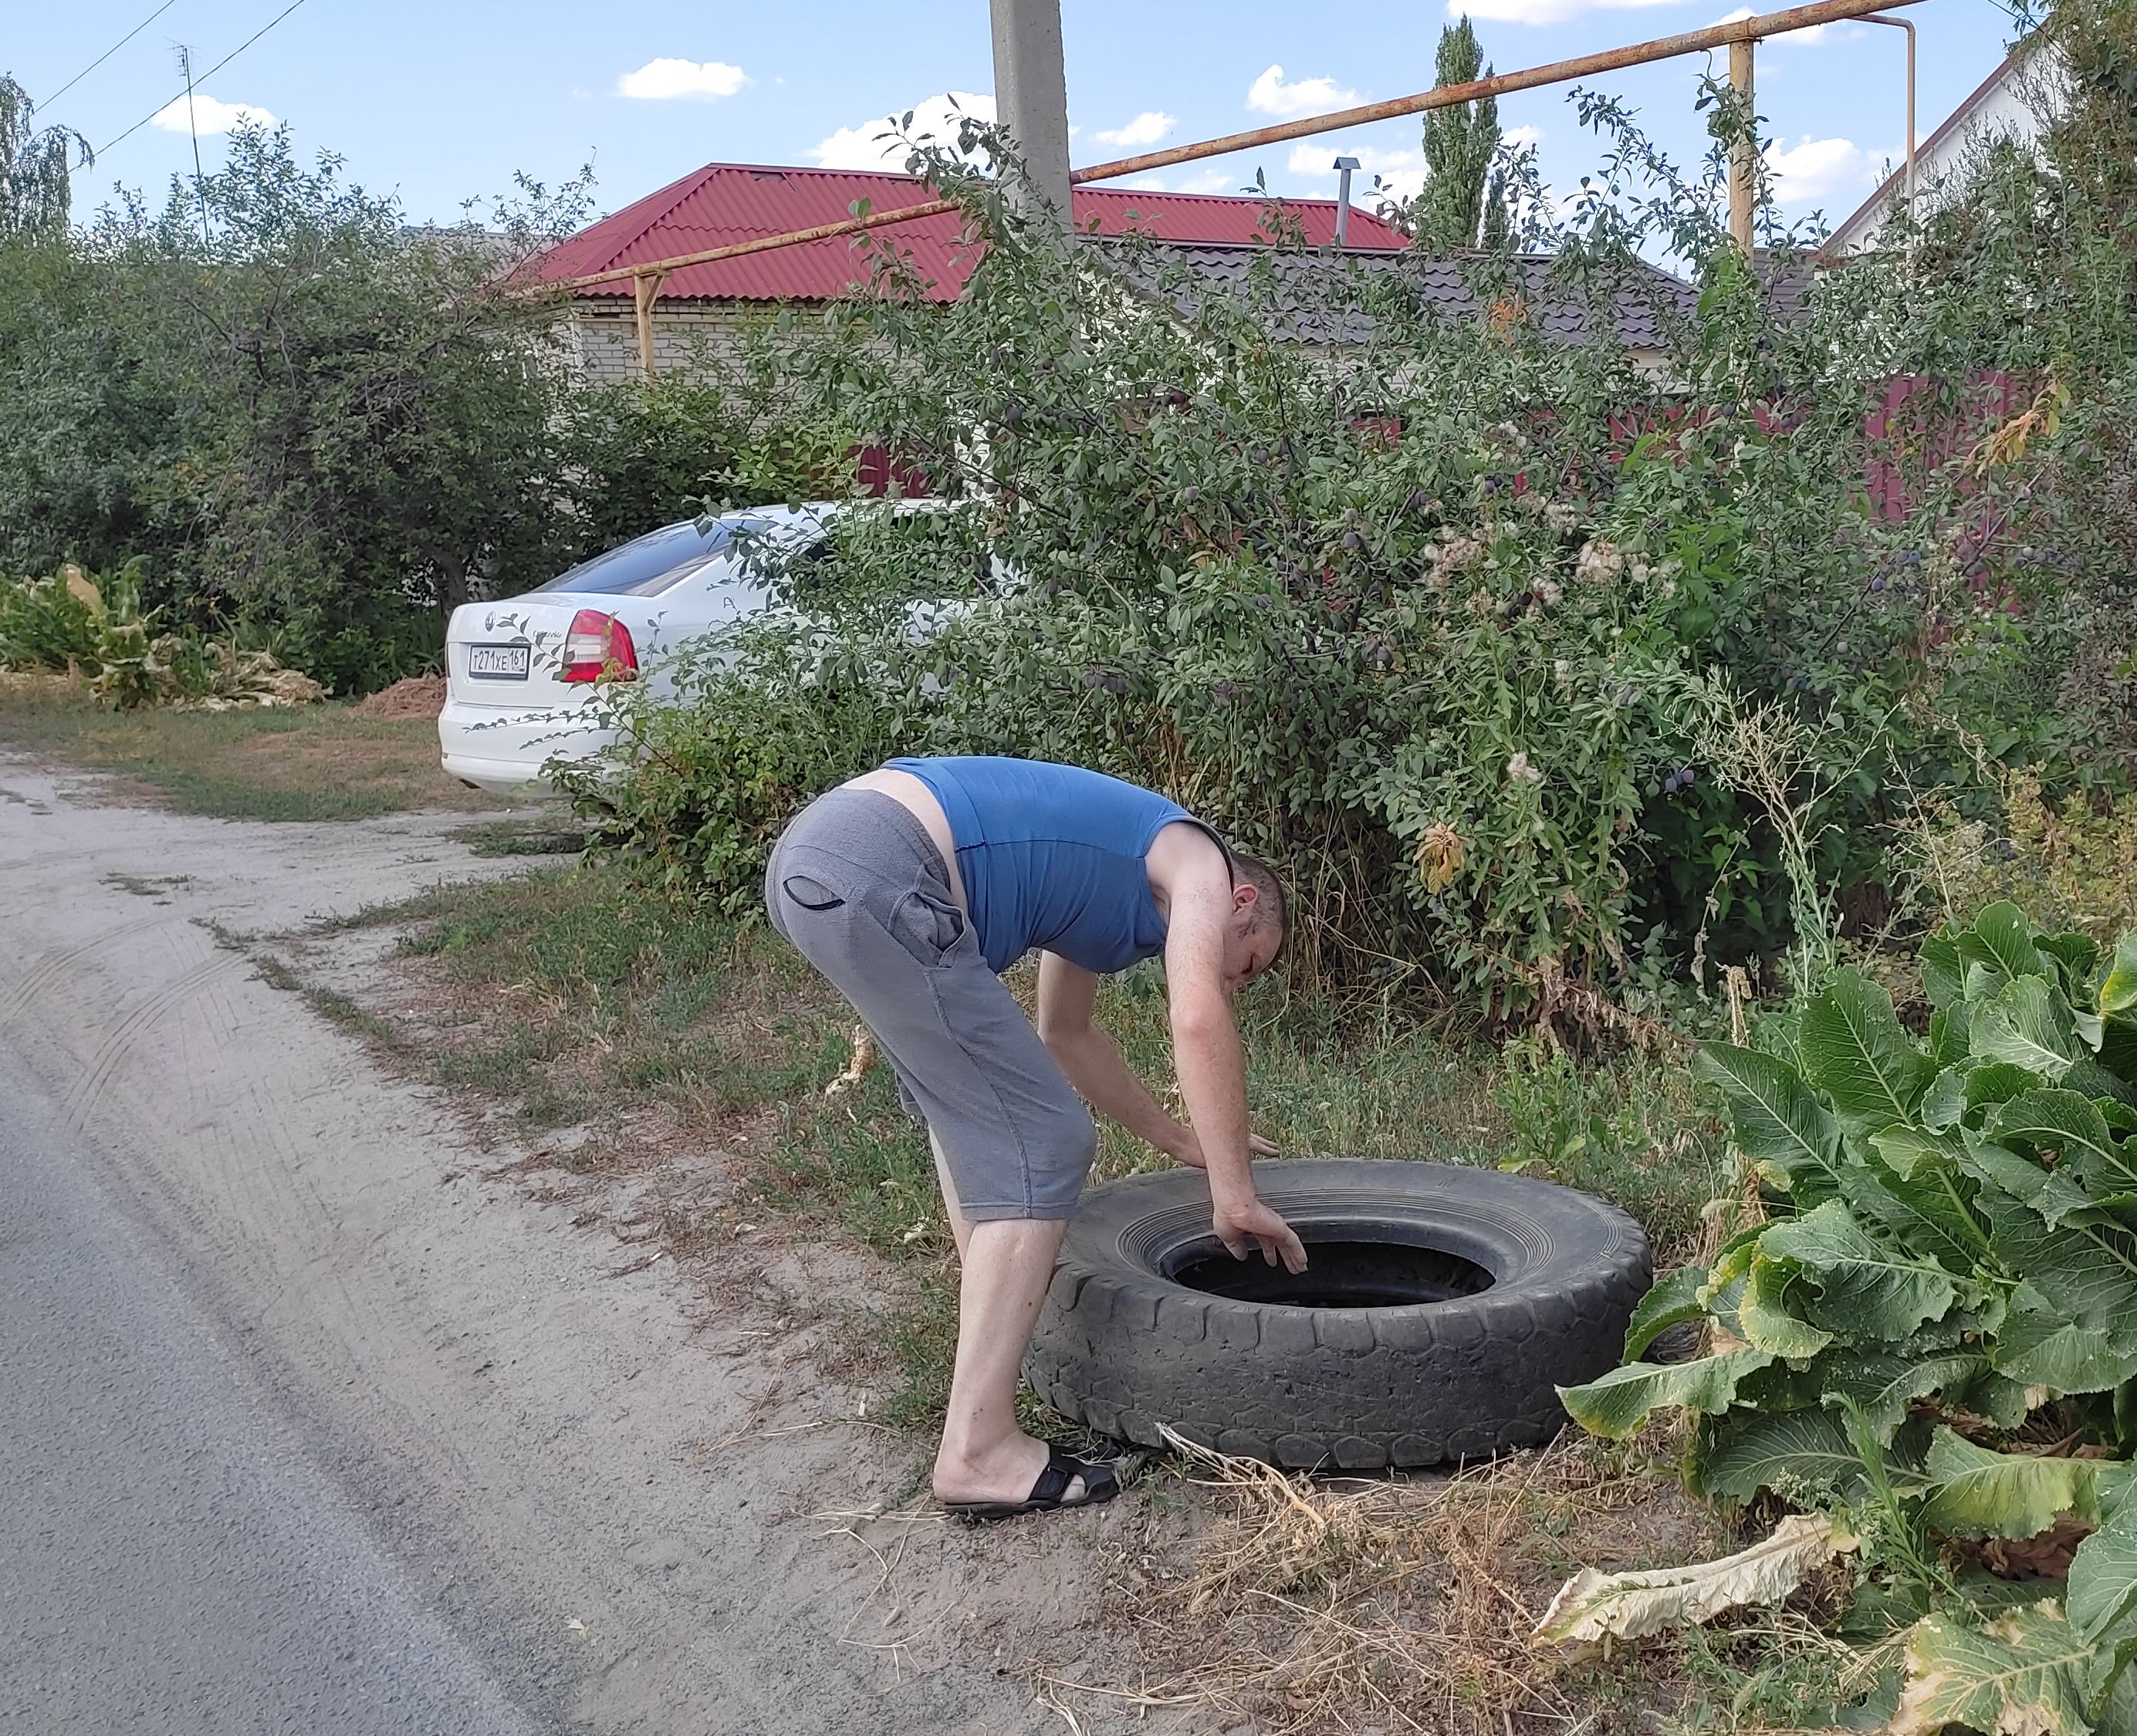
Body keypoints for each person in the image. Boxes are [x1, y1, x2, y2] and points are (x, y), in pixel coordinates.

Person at [765, 755, 1307, 1522]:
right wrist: (1234, 1190)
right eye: (1246, 963)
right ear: (1241, 901)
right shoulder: (1199, 864)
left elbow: (1067, 1033)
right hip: (882, 858)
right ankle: (978, 1454)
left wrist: (1179, 1137)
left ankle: (990, 1358)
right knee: (1047, 1140)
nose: (1232, 982)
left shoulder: (1107, 888)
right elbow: (1195, 1015)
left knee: (980, 1119)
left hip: (824, 855)